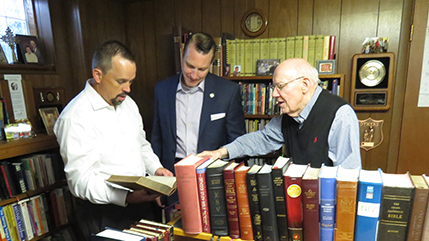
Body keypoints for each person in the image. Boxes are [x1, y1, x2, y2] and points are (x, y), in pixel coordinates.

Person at [54, 40, 173, 240]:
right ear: (98, 75)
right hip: (103, 213)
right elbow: (81, 182)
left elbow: (141, 144)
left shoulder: (128, 104)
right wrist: (126, 197)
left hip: (141, 205)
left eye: (131, 81)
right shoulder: (76, 117)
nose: (128, 88)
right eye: (121, 81)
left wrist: (155, 168)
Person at [198, 58, 361, 169]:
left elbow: (349, 177)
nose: (274, 94)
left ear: (305, 84)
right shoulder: (288, 116)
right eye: (273, 87)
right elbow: (260, 139)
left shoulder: (340, 114)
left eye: (280, 86)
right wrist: (221, 152)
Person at [151, 32, 246, 176]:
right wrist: (155, 176)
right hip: (171, 173)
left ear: (211, 65)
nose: (194, 75)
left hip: (212, 175)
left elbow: (237, 143)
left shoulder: (228, 92)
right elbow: (157, 139)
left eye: (202, 69)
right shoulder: (162, 89)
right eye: (190, 66)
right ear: (182, 56)